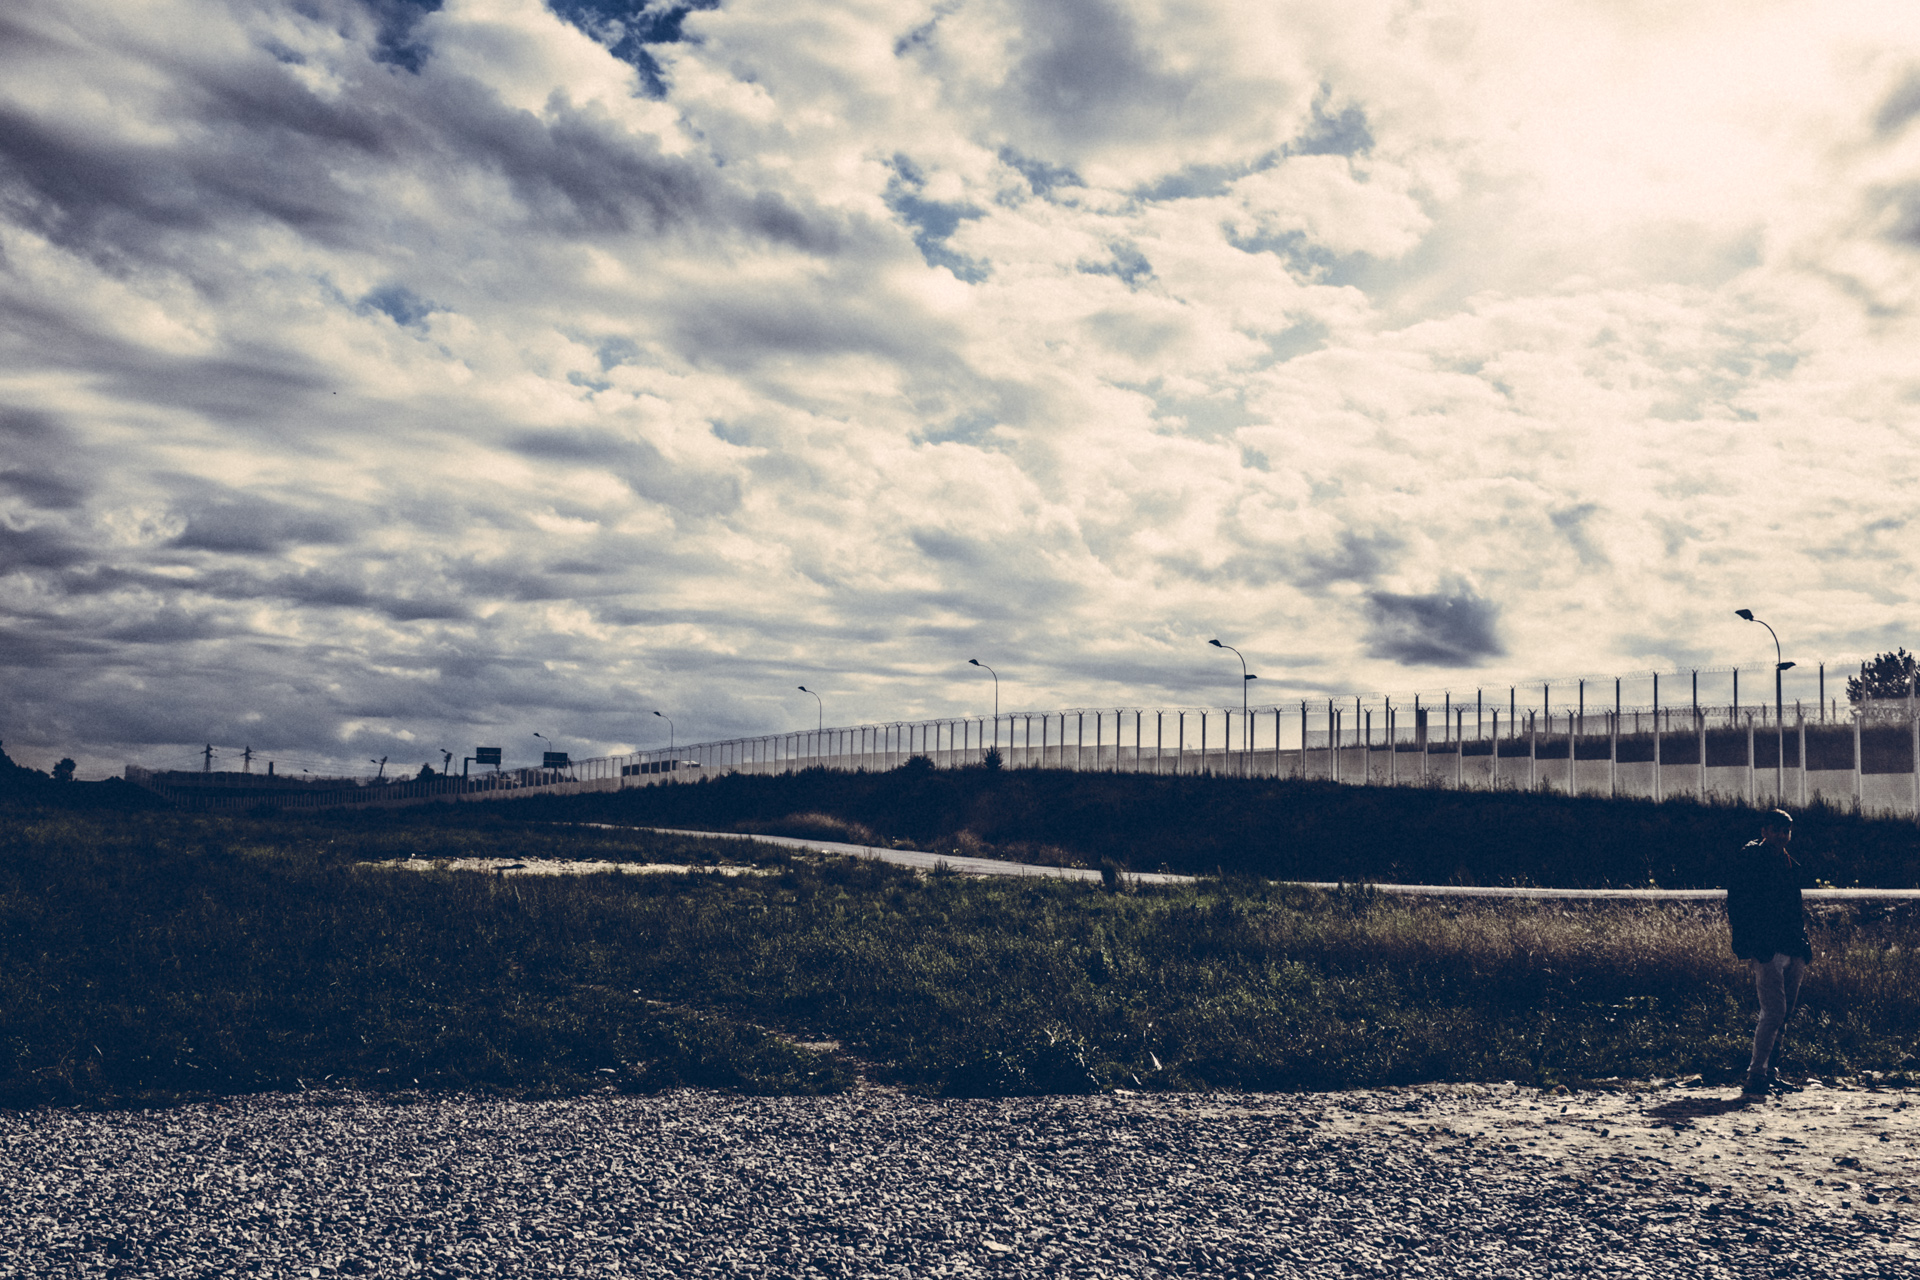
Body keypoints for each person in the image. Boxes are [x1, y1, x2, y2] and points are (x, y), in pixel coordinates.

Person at [1725, 809, 1812, 1099]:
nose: (1782, 835)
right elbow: (1739, 907)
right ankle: (1756, 1076)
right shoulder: (1749, 862)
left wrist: (1803, 944)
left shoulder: (1789, 864)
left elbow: (1794, 909)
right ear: (1764, 831)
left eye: (1786, 830)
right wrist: (1751, 943)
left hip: (1791, 946)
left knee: (1782, 1015)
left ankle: (1769, 1074)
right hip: (1768, 948)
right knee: (1774, 1012)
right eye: (1777, 830)